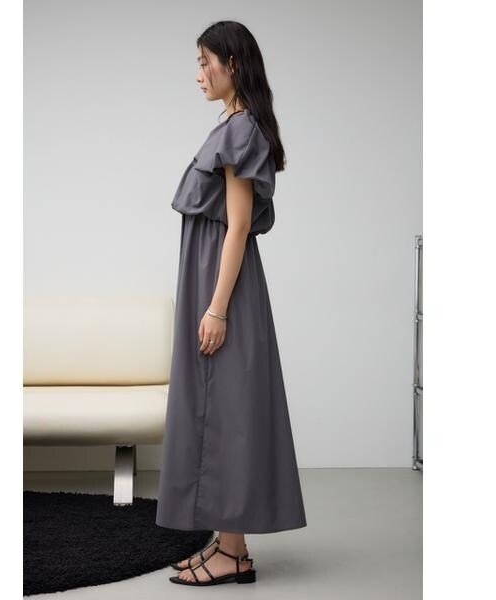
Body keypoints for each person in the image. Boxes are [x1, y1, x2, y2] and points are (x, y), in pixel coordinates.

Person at [155, 20, 307, 587]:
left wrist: (217, 307)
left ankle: (234, 553)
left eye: (205, 62)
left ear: (233, 65)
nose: (198, 74)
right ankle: (226, 545)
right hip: (214, 279)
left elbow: (238, 226)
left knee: (227, 412)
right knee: (217, 407)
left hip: (224, 285)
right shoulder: (232, 124)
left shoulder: (240, 131)